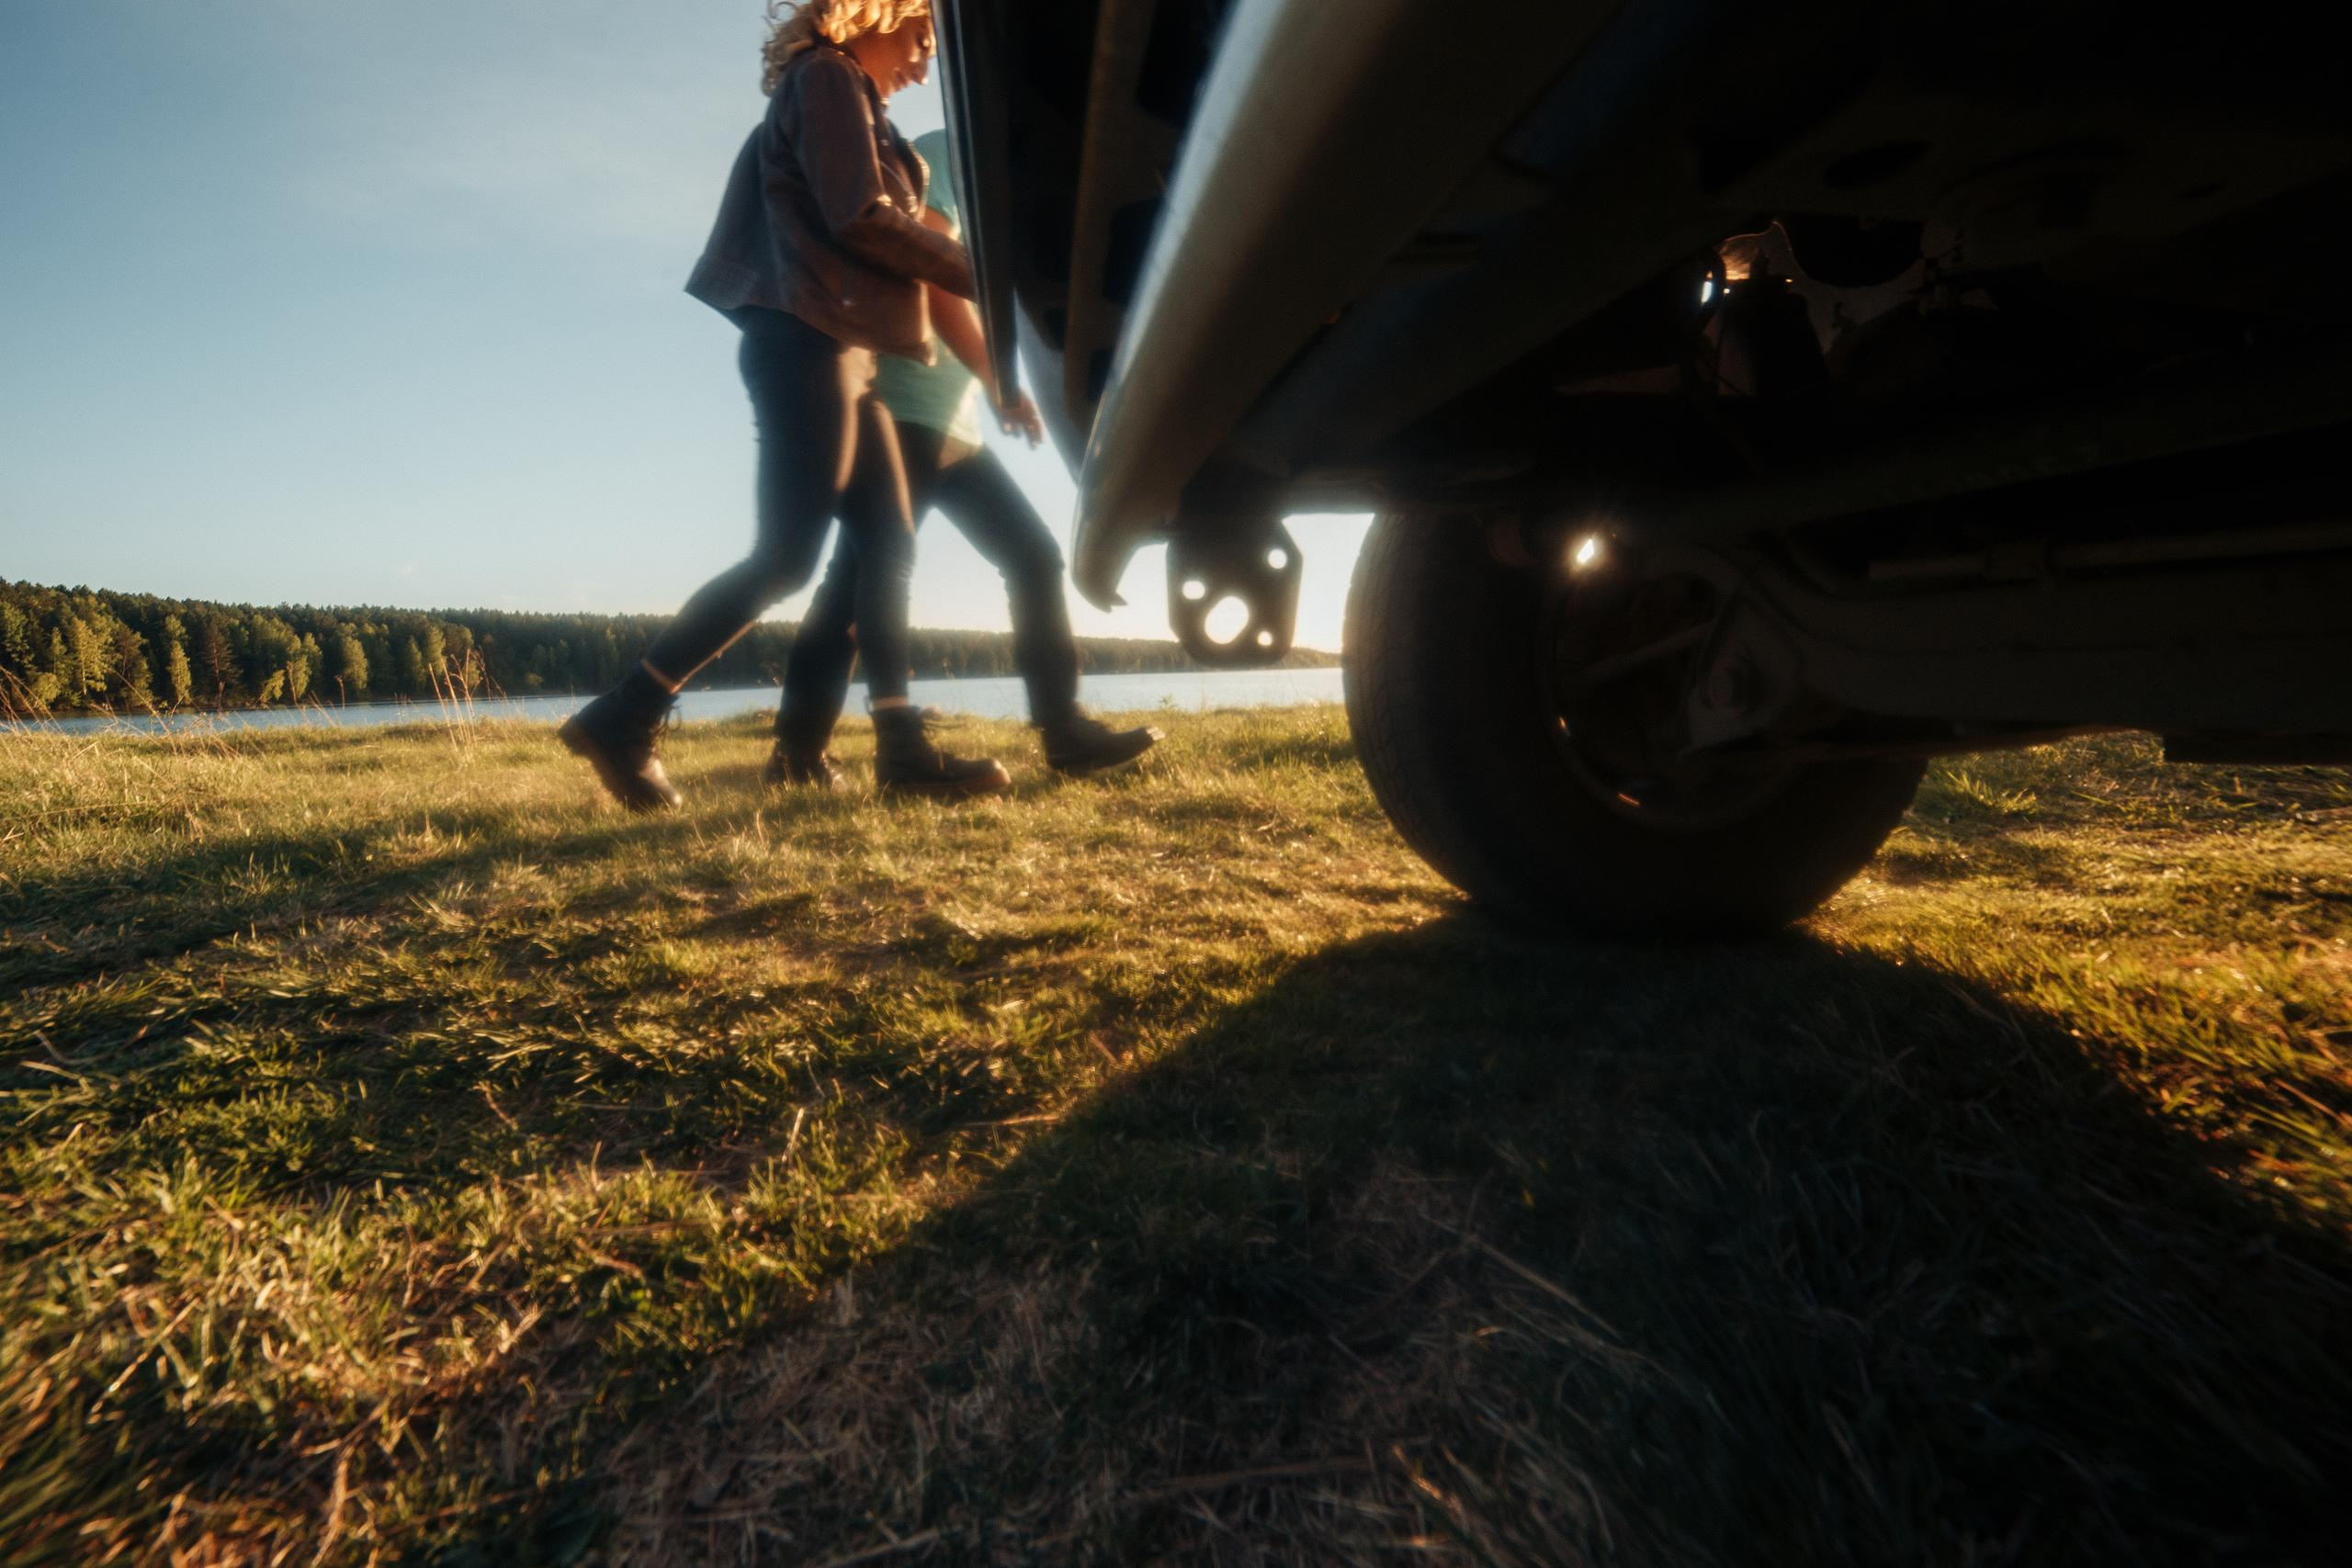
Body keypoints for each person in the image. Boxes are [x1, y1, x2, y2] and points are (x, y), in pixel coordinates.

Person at [560, 0, 1008, 807]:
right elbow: (860, 217)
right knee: (788, 558)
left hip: (845, 351)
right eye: (918, 38)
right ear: (879, 14)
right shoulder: (826, 79)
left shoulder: (857, 105)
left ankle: (902, 752)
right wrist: (989, 278)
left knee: (888, 541)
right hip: (805, 340)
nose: (923, 62)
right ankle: (625, 714)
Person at [770, 130, 1160, 789]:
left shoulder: (1007, 190)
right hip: (900, 410)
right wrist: (1000, 384)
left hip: (951, 425)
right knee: (859, 585)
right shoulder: (946, 155)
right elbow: (933, 277)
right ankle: (801, 754)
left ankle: (1062, 732)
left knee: (1024, 558)